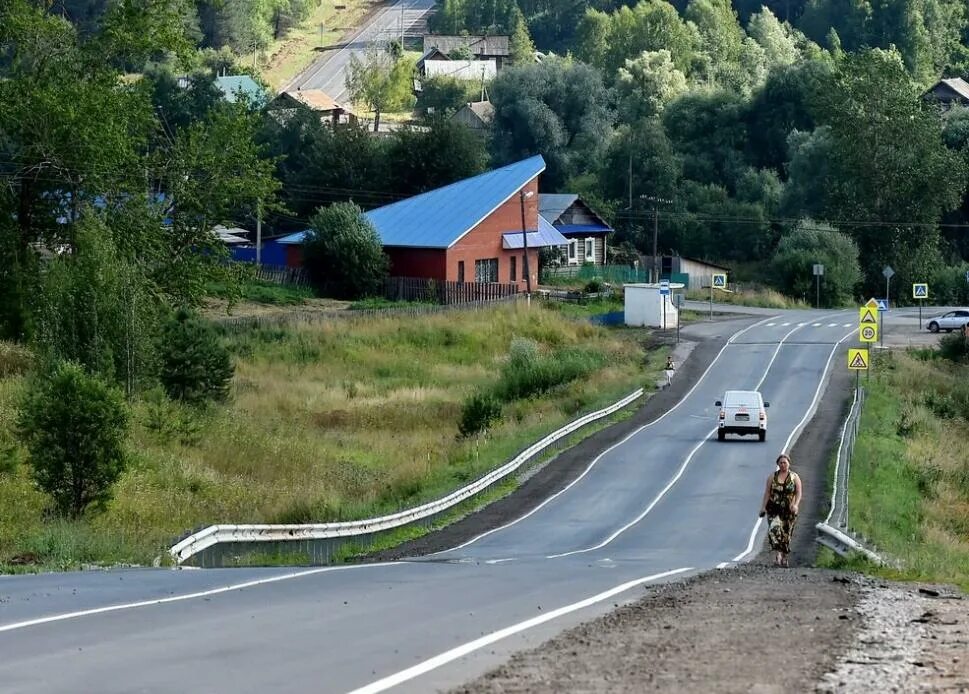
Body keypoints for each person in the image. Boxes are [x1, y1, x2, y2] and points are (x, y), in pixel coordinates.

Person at [758, 453, 802, 567]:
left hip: (789, 510)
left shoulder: (794, 477)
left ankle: (784, 557)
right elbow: (767, 493)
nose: (783, 465)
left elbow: (798, 493)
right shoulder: (772, 477)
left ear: (789, 463)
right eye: (781, 463)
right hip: (774, 508)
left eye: (785, 463)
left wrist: (796, 505)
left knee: (786, 534)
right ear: (778, 464)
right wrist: (763, 507)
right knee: (774, 530)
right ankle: (778, 555)